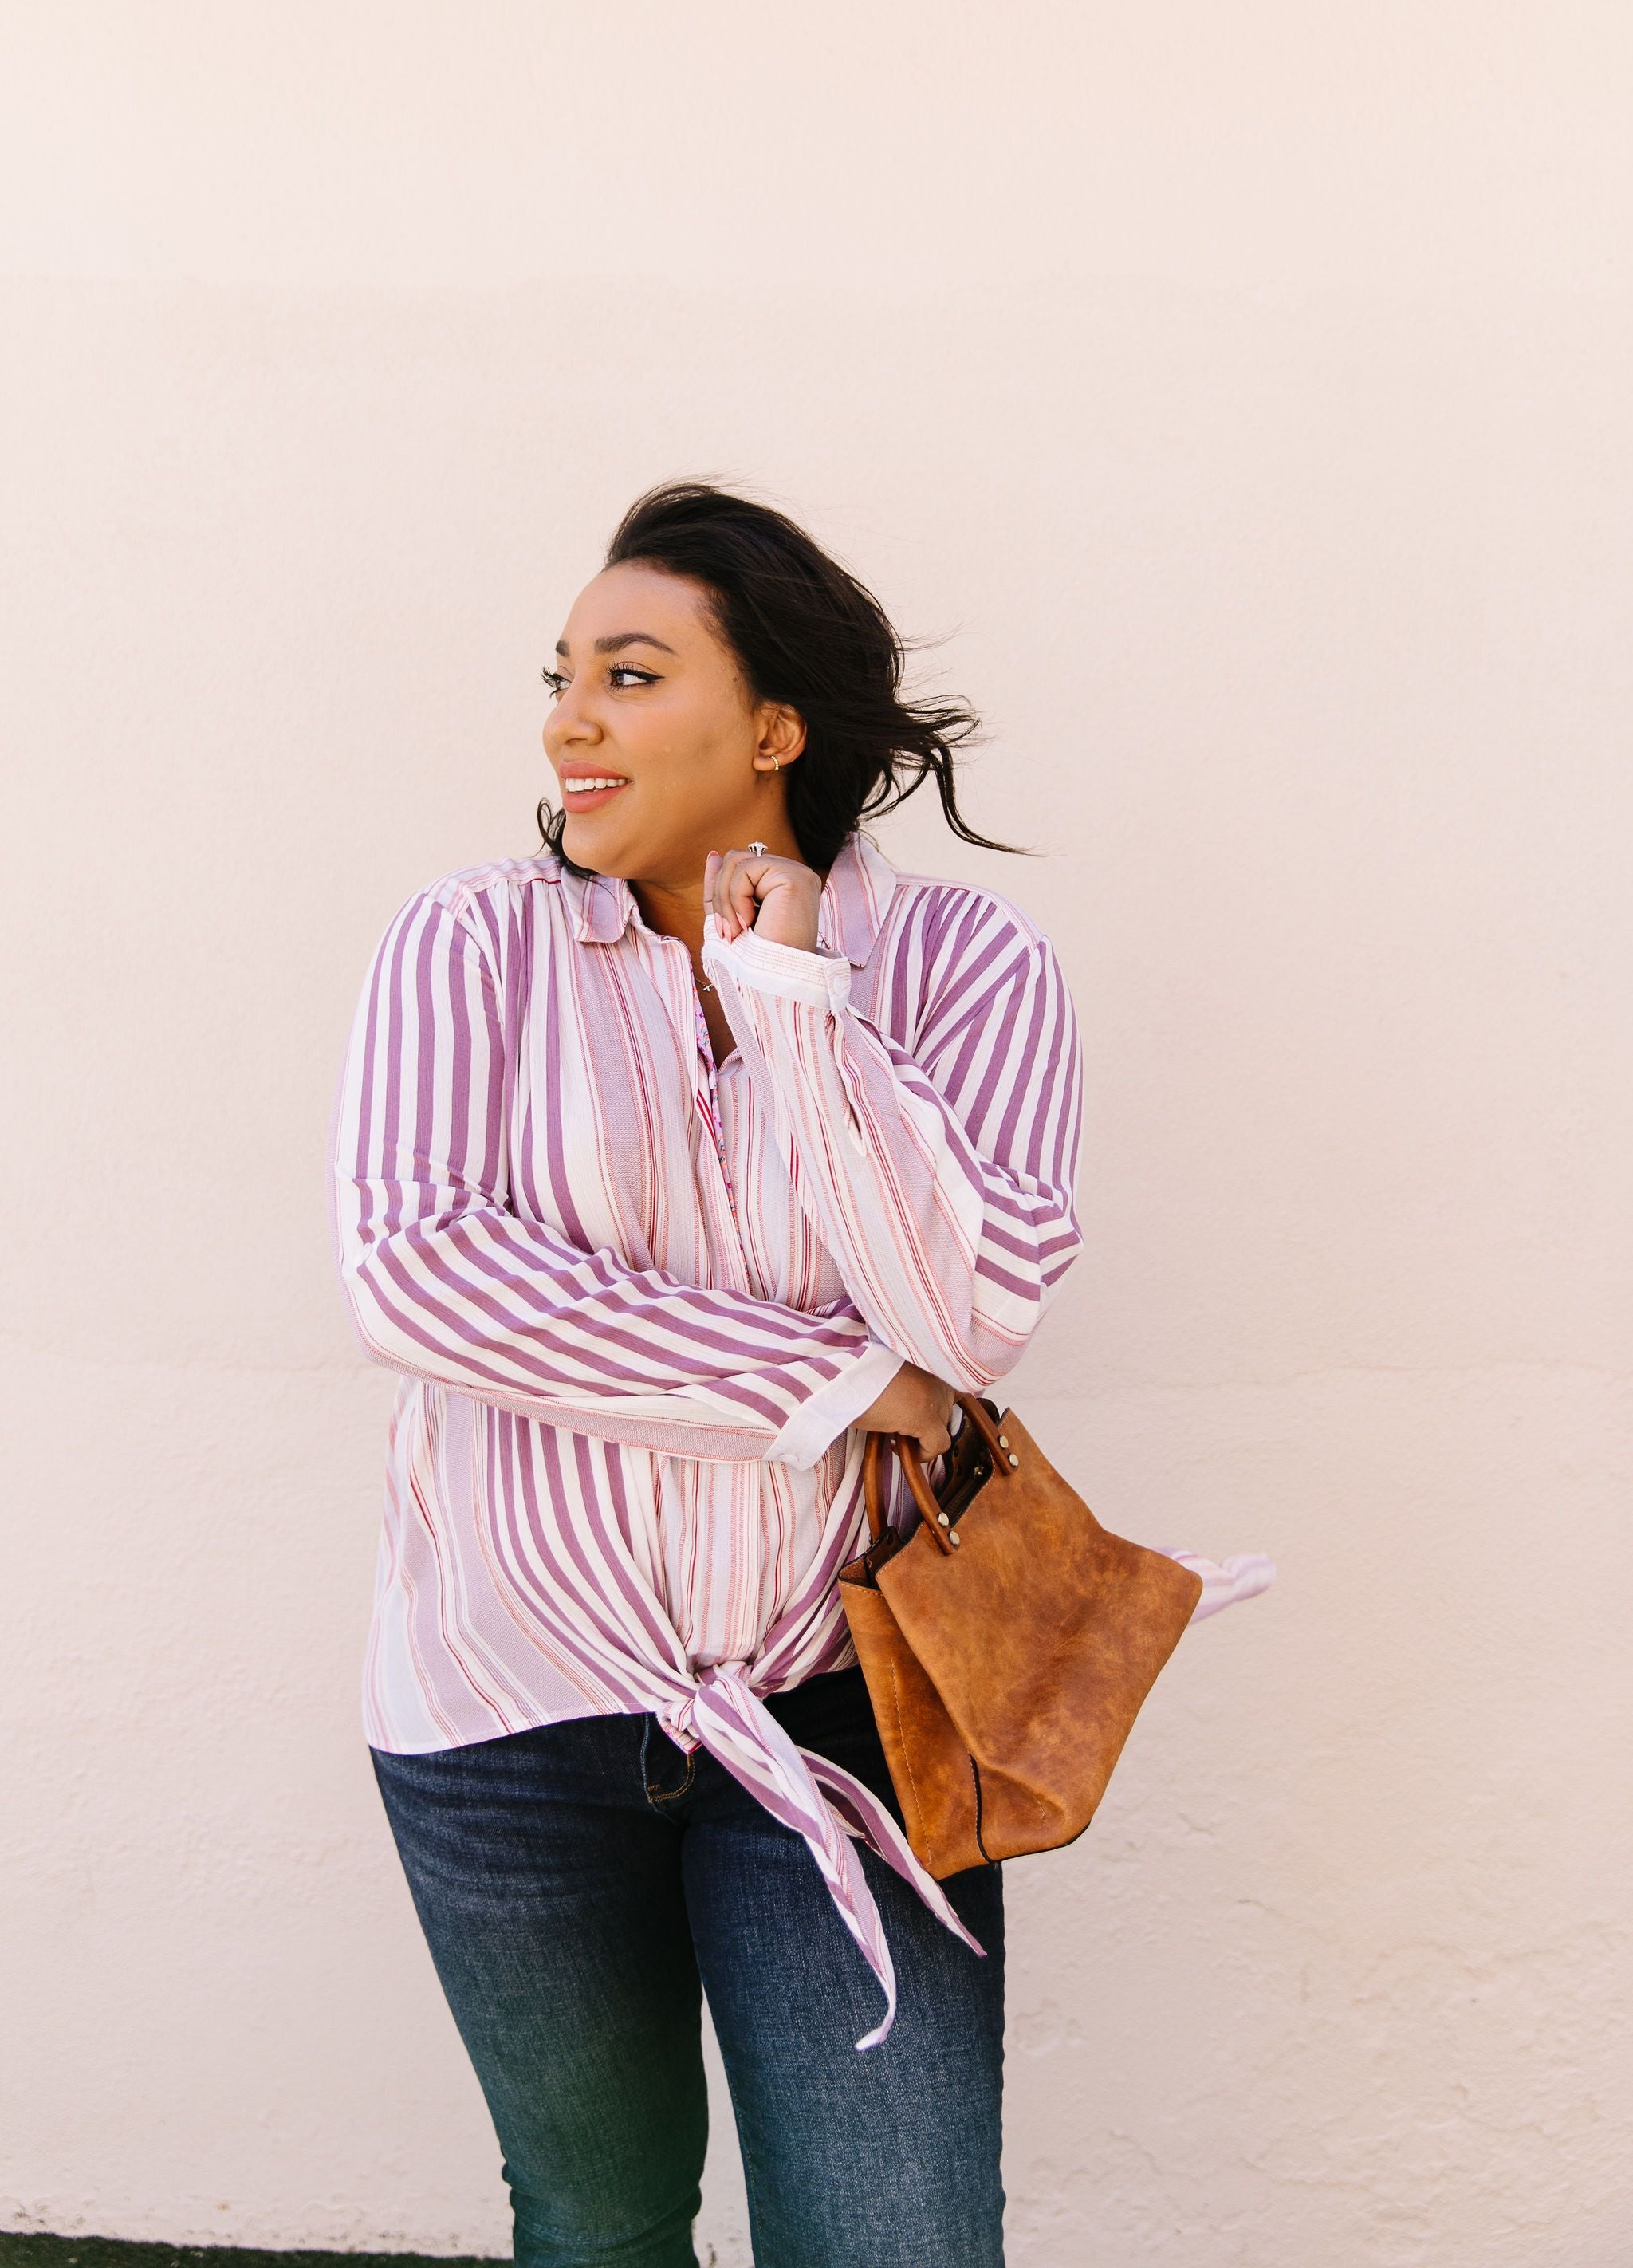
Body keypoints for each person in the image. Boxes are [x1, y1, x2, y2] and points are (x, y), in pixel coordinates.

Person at [330, 482, 1261, 2268]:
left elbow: (972, 1319)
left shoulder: (973, 971)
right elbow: (423, 1277)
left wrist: (794, 1000)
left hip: (846, 1699)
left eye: (627, 672)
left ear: (773, 726)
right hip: (503, 1712)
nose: (566, 722)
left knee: (892, 2240)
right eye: (561, 677)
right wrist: (841, 1382)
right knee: (596, 2223)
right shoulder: (468, 946)